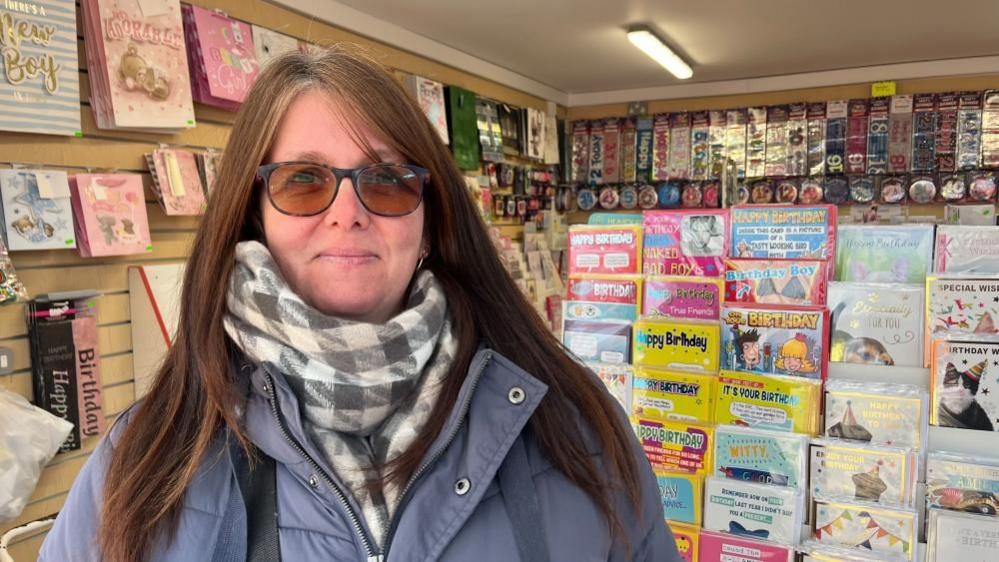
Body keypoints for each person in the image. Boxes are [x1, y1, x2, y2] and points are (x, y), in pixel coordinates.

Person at [39, 45, 679, 561]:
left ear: (429, 222)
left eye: (387, 180)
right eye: (304, 181)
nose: (347, 213)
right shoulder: (142, 458)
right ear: (253, 215)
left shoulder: (579, 434)